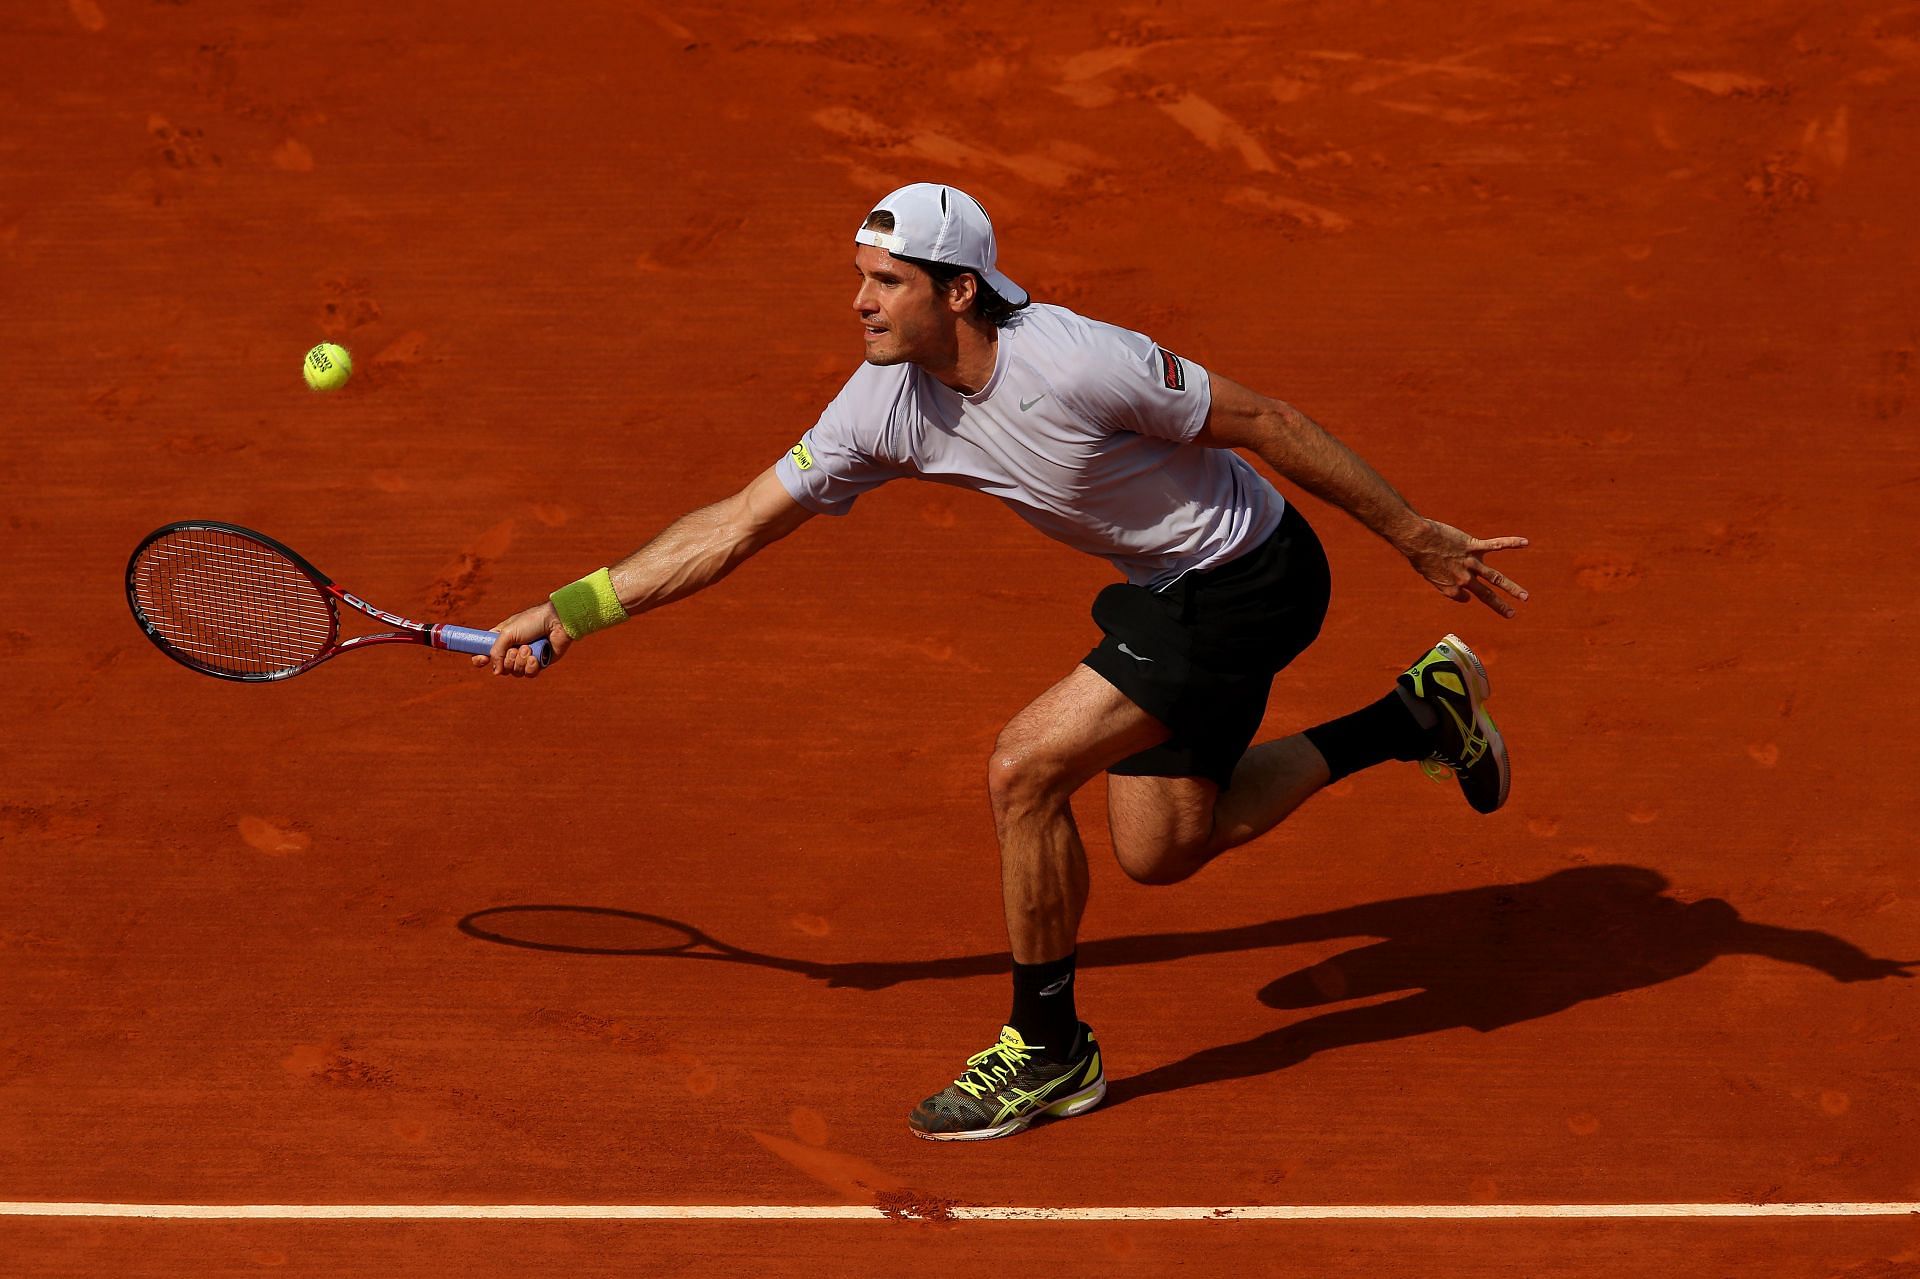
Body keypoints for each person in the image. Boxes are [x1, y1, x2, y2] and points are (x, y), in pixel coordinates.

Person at [476, 181, 1530, 1142]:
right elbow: (738, 524)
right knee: (1165, 848)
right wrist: (576, 611)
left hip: (1252, 578)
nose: (860, 302)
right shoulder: (879, 405)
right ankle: (1418, 714)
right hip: (1169, 595)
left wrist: (1413, 532)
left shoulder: (1079, 360)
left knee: (1025, 766)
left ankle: (1049, 1049)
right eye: (859, 279)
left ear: (961, 290)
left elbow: (1267, 419)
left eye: (886, 282)